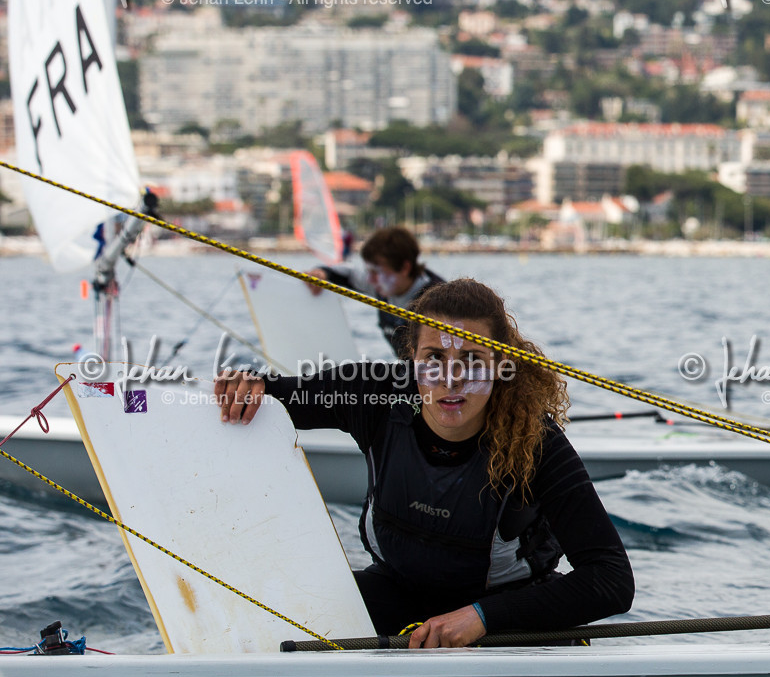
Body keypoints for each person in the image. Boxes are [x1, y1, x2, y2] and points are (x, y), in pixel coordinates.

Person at [213, 278, 634, 647]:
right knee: (277, 608)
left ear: (501, 365)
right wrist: (247, 383)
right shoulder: (375, 395)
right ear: (411, 357)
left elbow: (612, 579)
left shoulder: (535, 442)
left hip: (506, 621)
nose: (451, 380)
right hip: (396, 594)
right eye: (434, 358)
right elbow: (278, 394)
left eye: (472, 360)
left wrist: (481, 618)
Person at [308, 226, 445, 358]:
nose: (369, 279)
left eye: (376, 272)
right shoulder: (383, 286)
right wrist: (322, 273)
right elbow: (348, 273)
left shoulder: (439, 301)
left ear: (405, 268)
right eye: (368, 271)